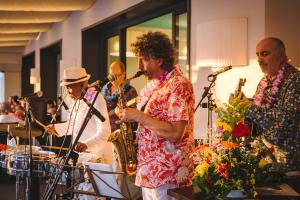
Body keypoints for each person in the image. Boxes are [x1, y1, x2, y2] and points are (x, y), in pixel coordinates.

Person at [116, 32, 195, 200]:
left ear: (159, 59)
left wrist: (139, 116)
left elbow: (176, 133)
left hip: (169, 174)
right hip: (151, 172)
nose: (138, 66)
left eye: (143, 59)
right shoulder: (155, 86)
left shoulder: (179, 85)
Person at [245, 37, 300, 191]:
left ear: (282, 55)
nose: (259, 59)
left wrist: (250, 108)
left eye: (265, 54)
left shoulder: (295, 80)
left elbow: (287, 120)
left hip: (288, 167)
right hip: (265, 164)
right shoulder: (264, 82)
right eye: (257, 55)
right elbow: (259, 115)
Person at [101, 60, 138, 132]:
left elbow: (135, 119)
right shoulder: (104, 90)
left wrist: (123, 114)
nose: (114, 79)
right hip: (104, 131)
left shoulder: (131, 91)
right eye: (112, 76)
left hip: (121, 132)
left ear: (124, 74)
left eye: (117, 76)